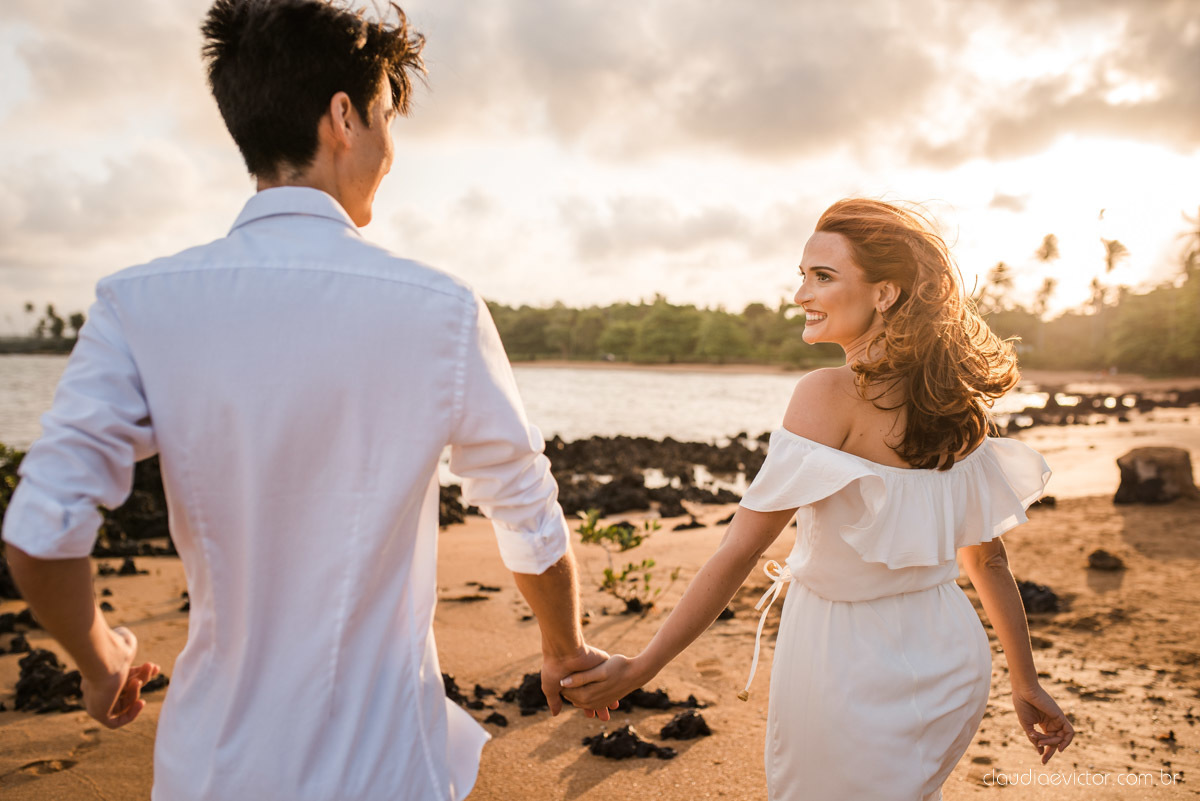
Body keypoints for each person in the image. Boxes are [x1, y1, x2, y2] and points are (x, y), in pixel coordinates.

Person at [2, 2, 610, 800]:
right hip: (385, 765)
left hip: (211, 768)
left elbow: (42, 534)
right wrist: (563, 647)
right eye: (387, 116)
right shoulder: (442, 309)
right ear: (344, 117)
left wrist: (100, 662)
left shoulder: (139, 303)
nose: (391, 149)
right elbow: (526, 511)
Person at [561, 199, 1075, 800]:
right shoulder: (958, 402)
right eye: (801, 275)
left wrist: (643, 665)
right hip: (950, 659)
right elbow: (985, 561)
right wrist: (1025, 680)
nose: (801, 293)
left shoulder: (828, 393)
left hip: (844, 662)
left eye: (823, 276)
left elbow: (740, 550)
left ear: (885, 293)